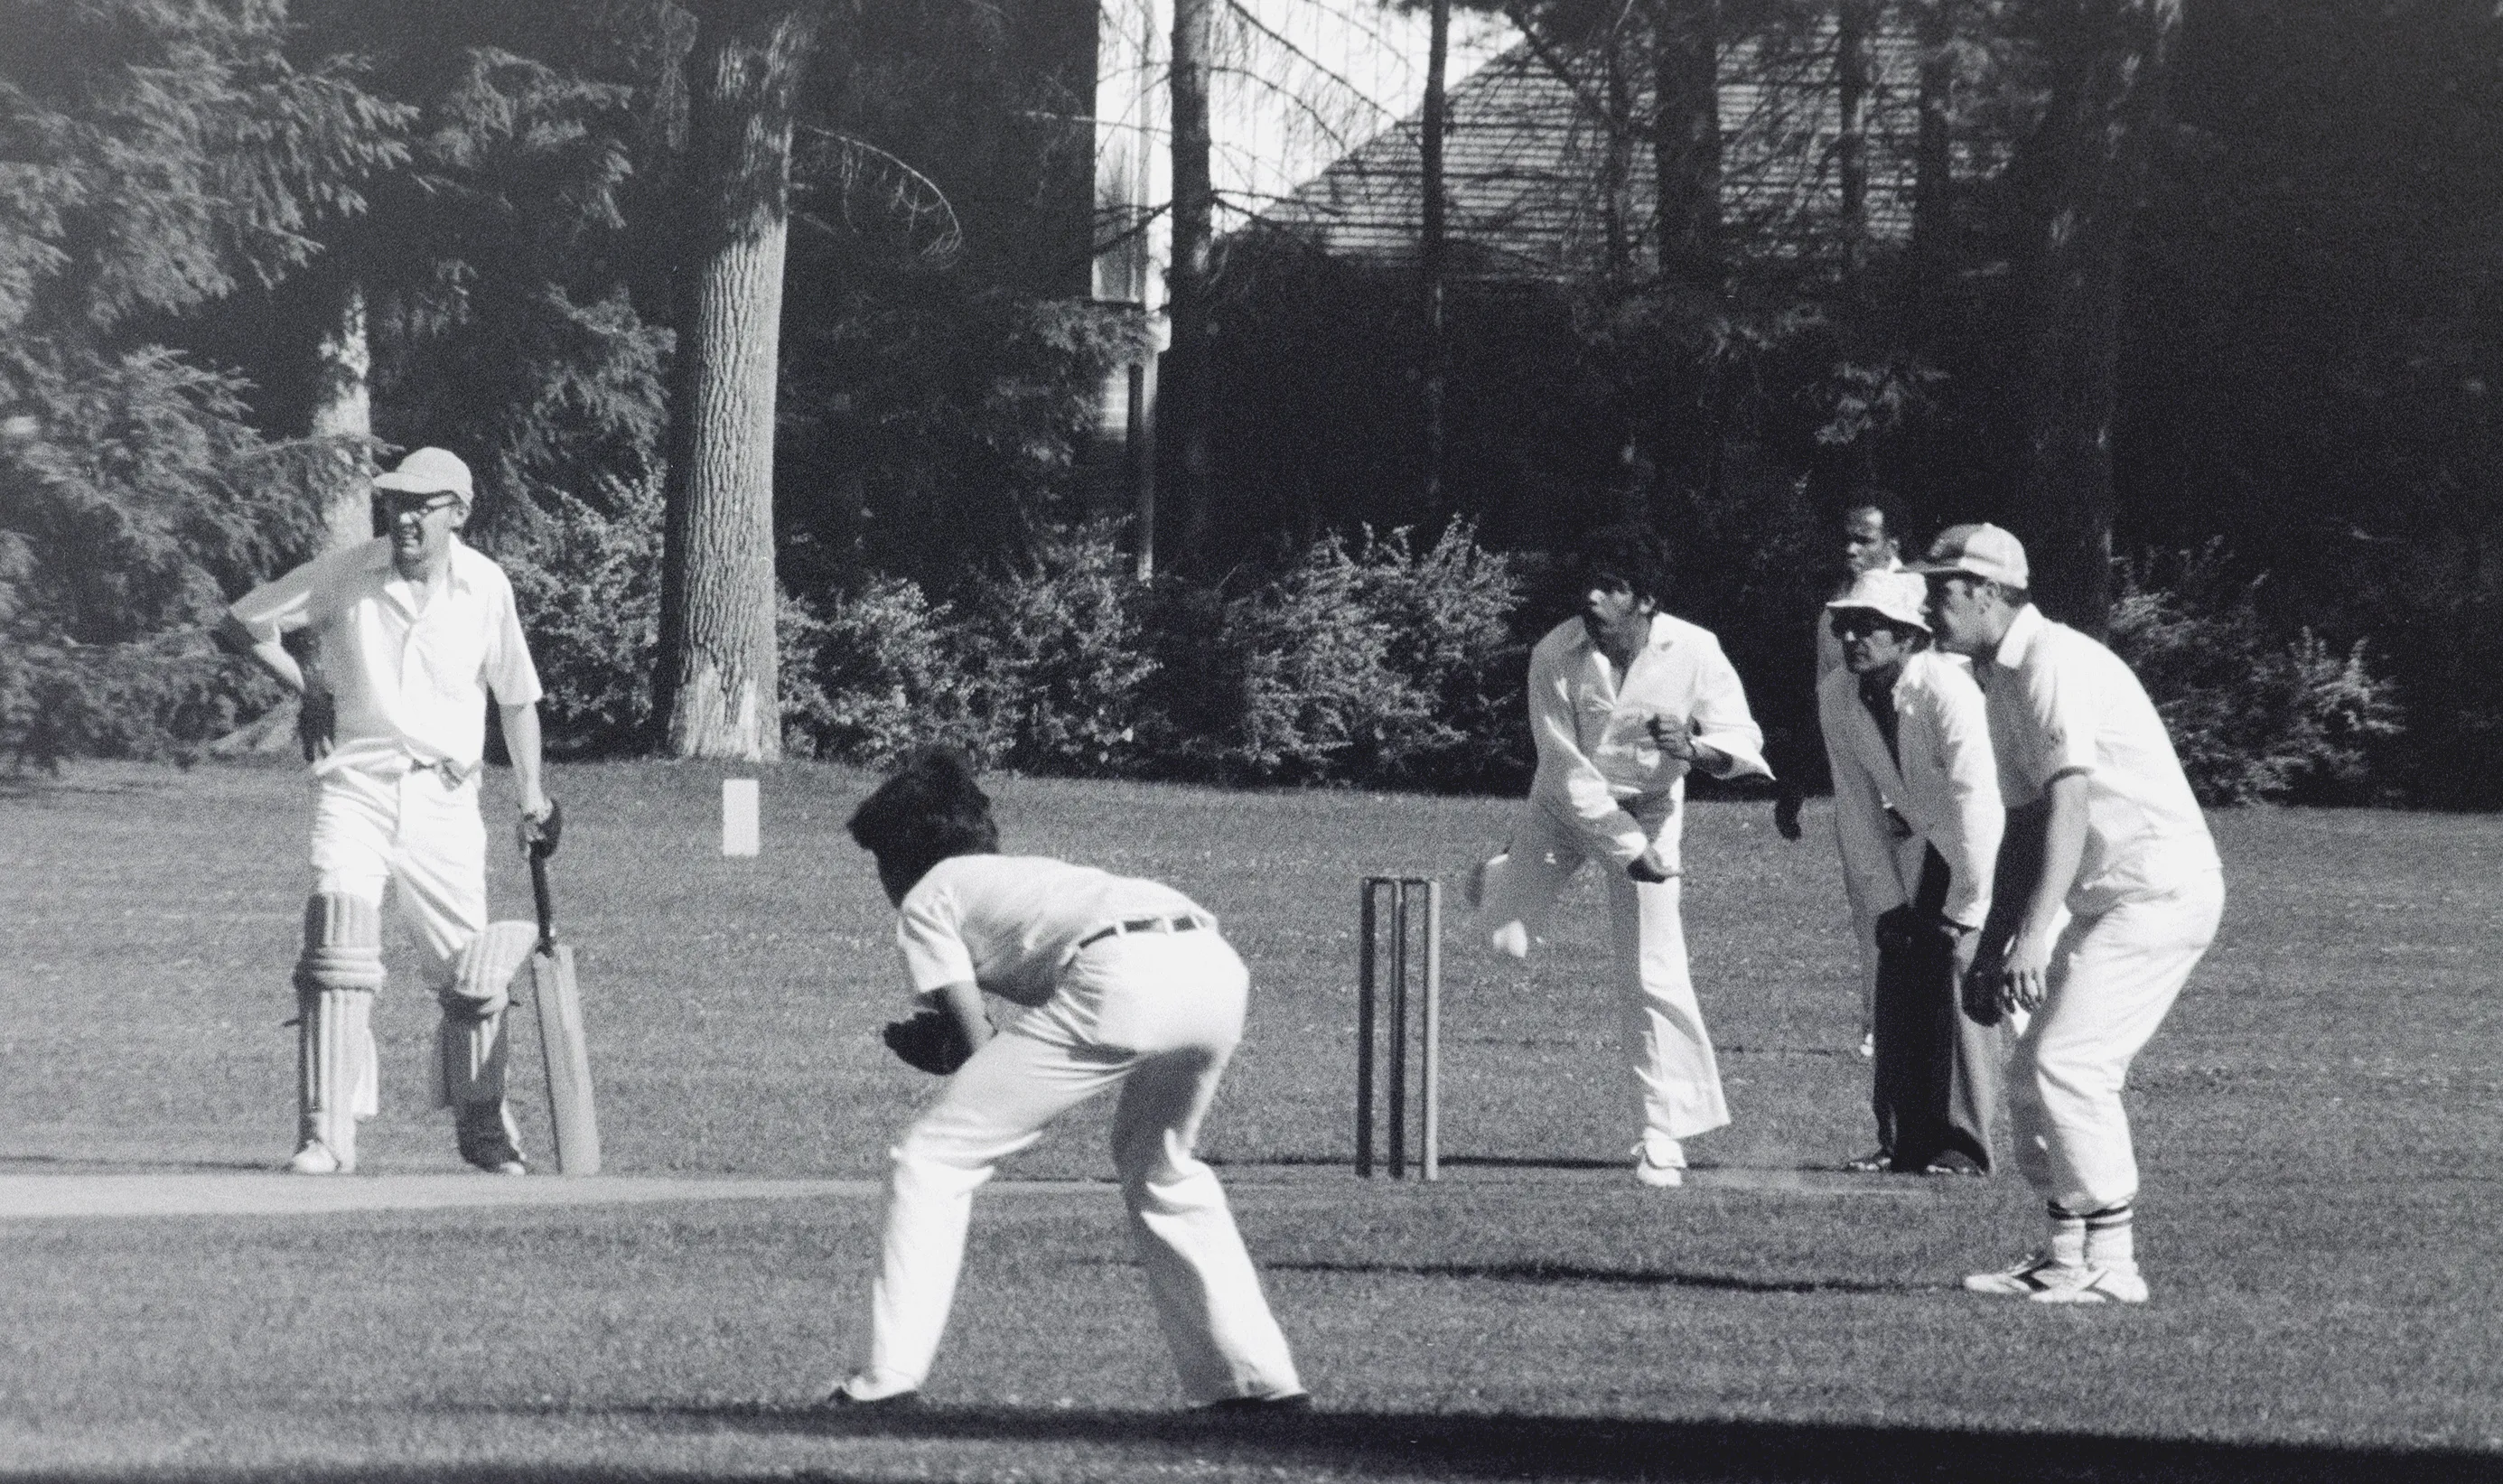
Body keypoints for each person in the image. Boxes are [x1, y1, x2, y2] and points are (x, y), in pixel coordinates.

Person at [828, 749, 1307, 1411]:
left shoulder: (926, 895)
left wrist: (947, 1053)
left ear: (896, 857)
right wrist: (969, 1051)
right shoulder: (1026, 874)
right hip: (1213, 966)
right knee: (1163, 1169)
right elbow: (991, 1045)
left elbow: (975, 1048)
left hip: (1120, 975)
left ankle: (881, 1382)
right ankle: (1256, 1382)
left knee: (930, 1158)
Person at [215, 446, 556, 1176]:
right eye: (395, 503)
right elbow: (241, 622)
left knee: (472, 973)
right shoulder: (346, 572)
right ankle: (325, 1133)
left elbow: (516, 697)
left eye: (421, 506)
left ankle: (483, 1125)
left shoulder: (486, 586)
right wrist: (308, 683)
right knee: (336, 942)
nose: (403, 517)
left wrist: (531, 791)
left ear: (458, 513)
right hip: (356, 784)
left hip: (444, 794)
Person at [1913, 524, 2223, 1304]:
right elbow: (2021, 825)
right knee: (2028, 1077)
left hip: (2158, 890)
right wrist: (1994, 944)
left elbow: (2070, 805)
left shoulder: (2051, 660)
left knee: (2070, 1066)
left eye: (1941, 587)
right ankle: (2062, 1256)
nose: (1926, 602)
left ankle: (2115, 1269)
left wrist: (2029, 942)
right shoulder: (1998, 676)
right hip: (2108, 897)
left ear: (1987, 592)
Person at [1468, 523, 1771, 1189]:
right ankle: (1501, 873)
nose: (1594, 599)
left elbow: (1740, 737)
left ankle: (1660, 1136)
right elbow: (1561, 762)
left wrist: (1693, 748)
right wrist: (1626, 849)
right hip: (1563, 809)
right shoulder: (1555, 651)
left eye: (1612, 588)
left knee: (1653, 970)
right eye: (1589, 585)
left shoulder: (1694, 648)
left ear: (1647, 599)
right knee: (1505, 941)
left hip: (1653, 809)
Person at [1818, 567, 2005, 1176]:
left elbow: (1980, 803)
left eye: (1868, 626)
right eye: (1845, 625)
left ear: (1907, 638)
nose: (1851, 638)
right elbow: (1853, 802)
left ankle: (1962, 1146)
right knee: (1896, 964)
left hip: (1984, 846)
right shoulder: (1836, 696)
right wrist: (1886, 903)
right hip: (1925, 844)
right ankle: (1902, 1139)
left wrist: (1965, 911)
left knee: (1958, 970)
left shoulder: (1948, 693)